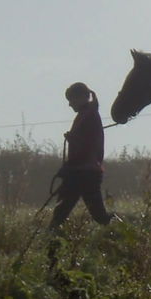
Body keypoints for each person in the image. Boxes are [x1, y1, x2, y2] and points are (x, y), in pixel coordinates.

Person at [48, 82, 118, 230]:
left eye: (71, 100)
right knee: (97, 214)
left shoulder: (88, 116)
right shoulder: (88, 114)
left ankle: (51, 237)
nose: (69, 104)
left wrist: (73, 141)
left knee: (62, 211)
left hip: (83, 172)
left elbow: (87, 145)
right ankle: (118, 229)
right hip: (85, 171)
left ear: (81, 98)